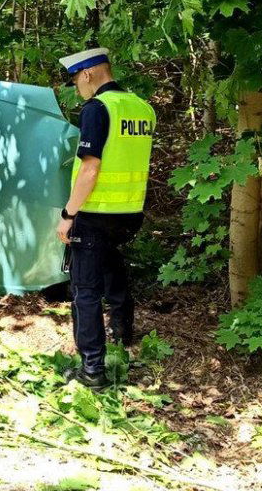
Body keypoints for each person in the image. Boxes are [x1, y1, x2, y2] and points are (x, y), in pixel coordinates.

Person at [55, 48, 156, 389]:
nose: (77, 88)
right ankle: (124, 337)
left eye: (75, 81)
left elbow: (91, 167)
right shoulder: (142, 108)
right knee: (113, 268)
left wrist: (68, 214)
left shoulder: (98, 109)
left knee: (85, 291)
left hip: (96, 214)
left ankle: (92, 371)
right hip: (129, 214)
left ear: (87, 75)